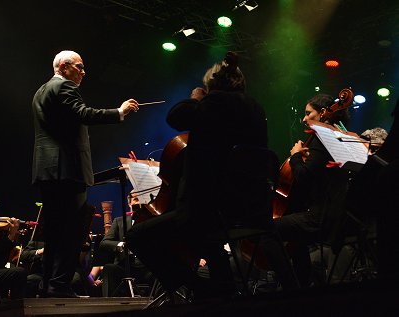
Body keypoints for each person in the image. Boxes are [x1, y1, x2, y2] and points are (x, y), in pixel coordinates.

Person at [126, 51, 290, 299]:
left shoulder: (213, 105)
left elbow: (175, 116)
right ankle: (224, 290)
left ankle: (201, 289)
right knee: (207, 237)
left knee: (138, 236)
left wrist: (198, 97)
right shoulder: (256, 109)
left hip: (212, 209)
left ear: (212, 87)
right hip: (250, 208)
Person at [31, 50, 139, 298]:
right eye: (80, 66)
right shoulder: (65, 86)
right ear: (65, 66)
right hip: (67, 170)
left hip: (48, 170)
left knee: (55, 232)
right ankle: (58, 286)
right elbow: (85, 113)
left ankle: (48, 286)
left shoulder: (41, 91)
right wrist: (119, 111)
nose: (83, 72)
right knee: (71, 230)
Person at [274, 93, 351, 287]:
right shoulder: (338, 137)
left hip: (322, 217)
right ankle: (303, 284)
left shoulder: (323, 139)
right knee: (296, 238)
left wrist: (296, 156)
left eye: (309, 113)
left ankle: (292, 288)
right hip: (337, 215)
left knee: (267, 230)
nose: (304, 118)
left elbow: (304, 178)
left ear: (323, 113)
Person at [99, 215, 154, 297]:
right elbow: (104, 243)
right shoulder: (119, 221)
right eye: (135, 201)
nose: (138, 203)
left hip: (147, 267)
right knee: (109, 269)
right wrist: (121, 244)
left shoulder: (152, 219)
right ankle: (110, 302)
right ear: (129, 203)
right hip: (125, 266)